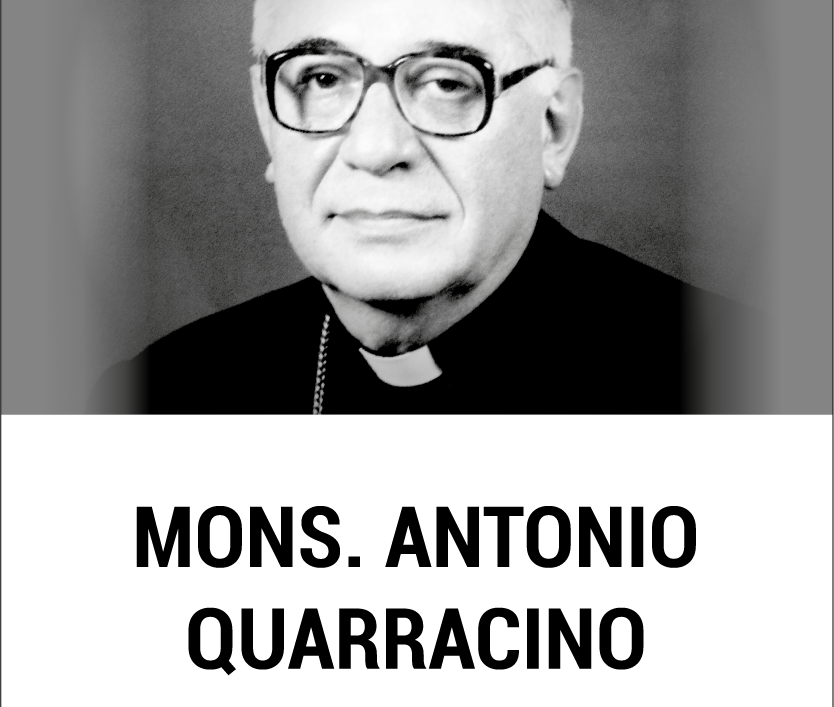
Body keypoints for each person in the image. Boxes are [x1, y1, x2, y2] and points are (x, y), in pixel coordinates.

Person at [92, 0, 765, 414]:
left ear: (553, 127)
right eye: (322, 78)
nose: (376, 148)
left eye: (447, 83)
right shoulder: (167, 390)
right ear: (269, 124)